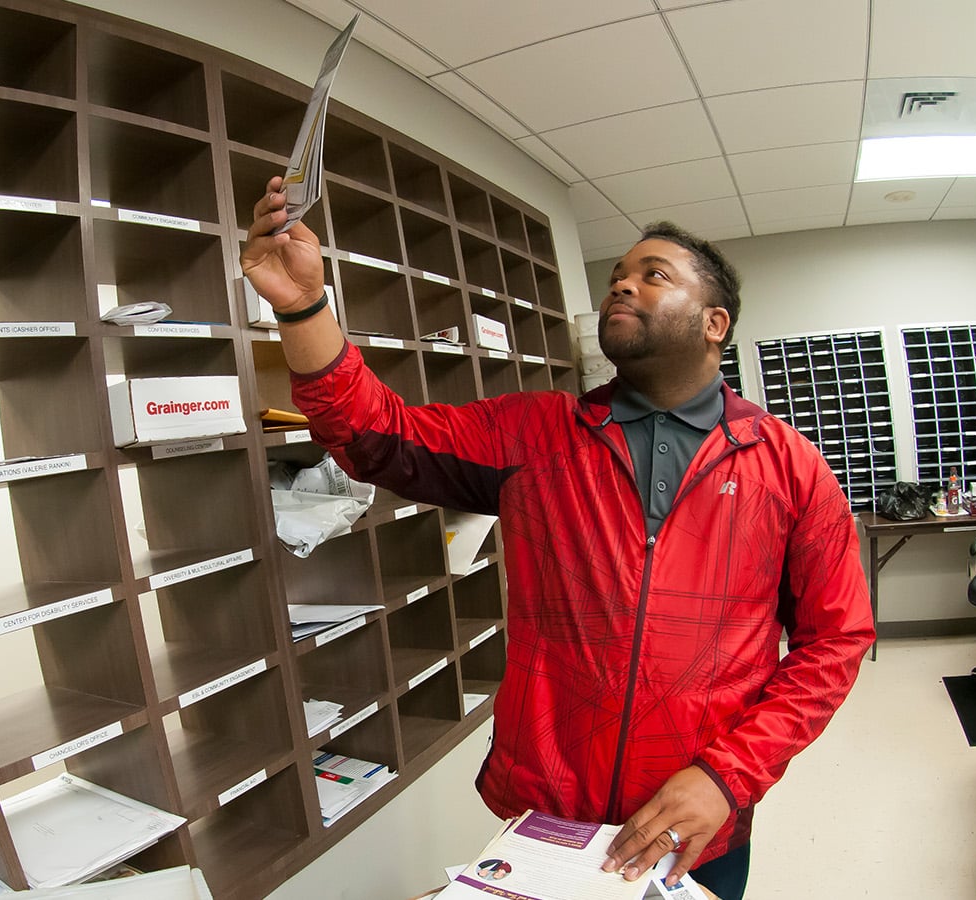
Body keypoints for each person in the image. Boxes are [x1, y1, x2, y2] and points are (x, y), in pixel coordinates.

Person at [241, 176, 874, 900]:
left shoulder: (790, 467)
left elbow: (836, 643)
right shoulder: (534, 432)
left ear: (714, 324)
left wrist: (728, 777)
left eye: (652, 275)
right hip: (548, 819)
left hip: (697, 825)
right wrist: (303, 305)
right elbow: (374, 435)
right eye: (616, 278)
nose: (621, 288)